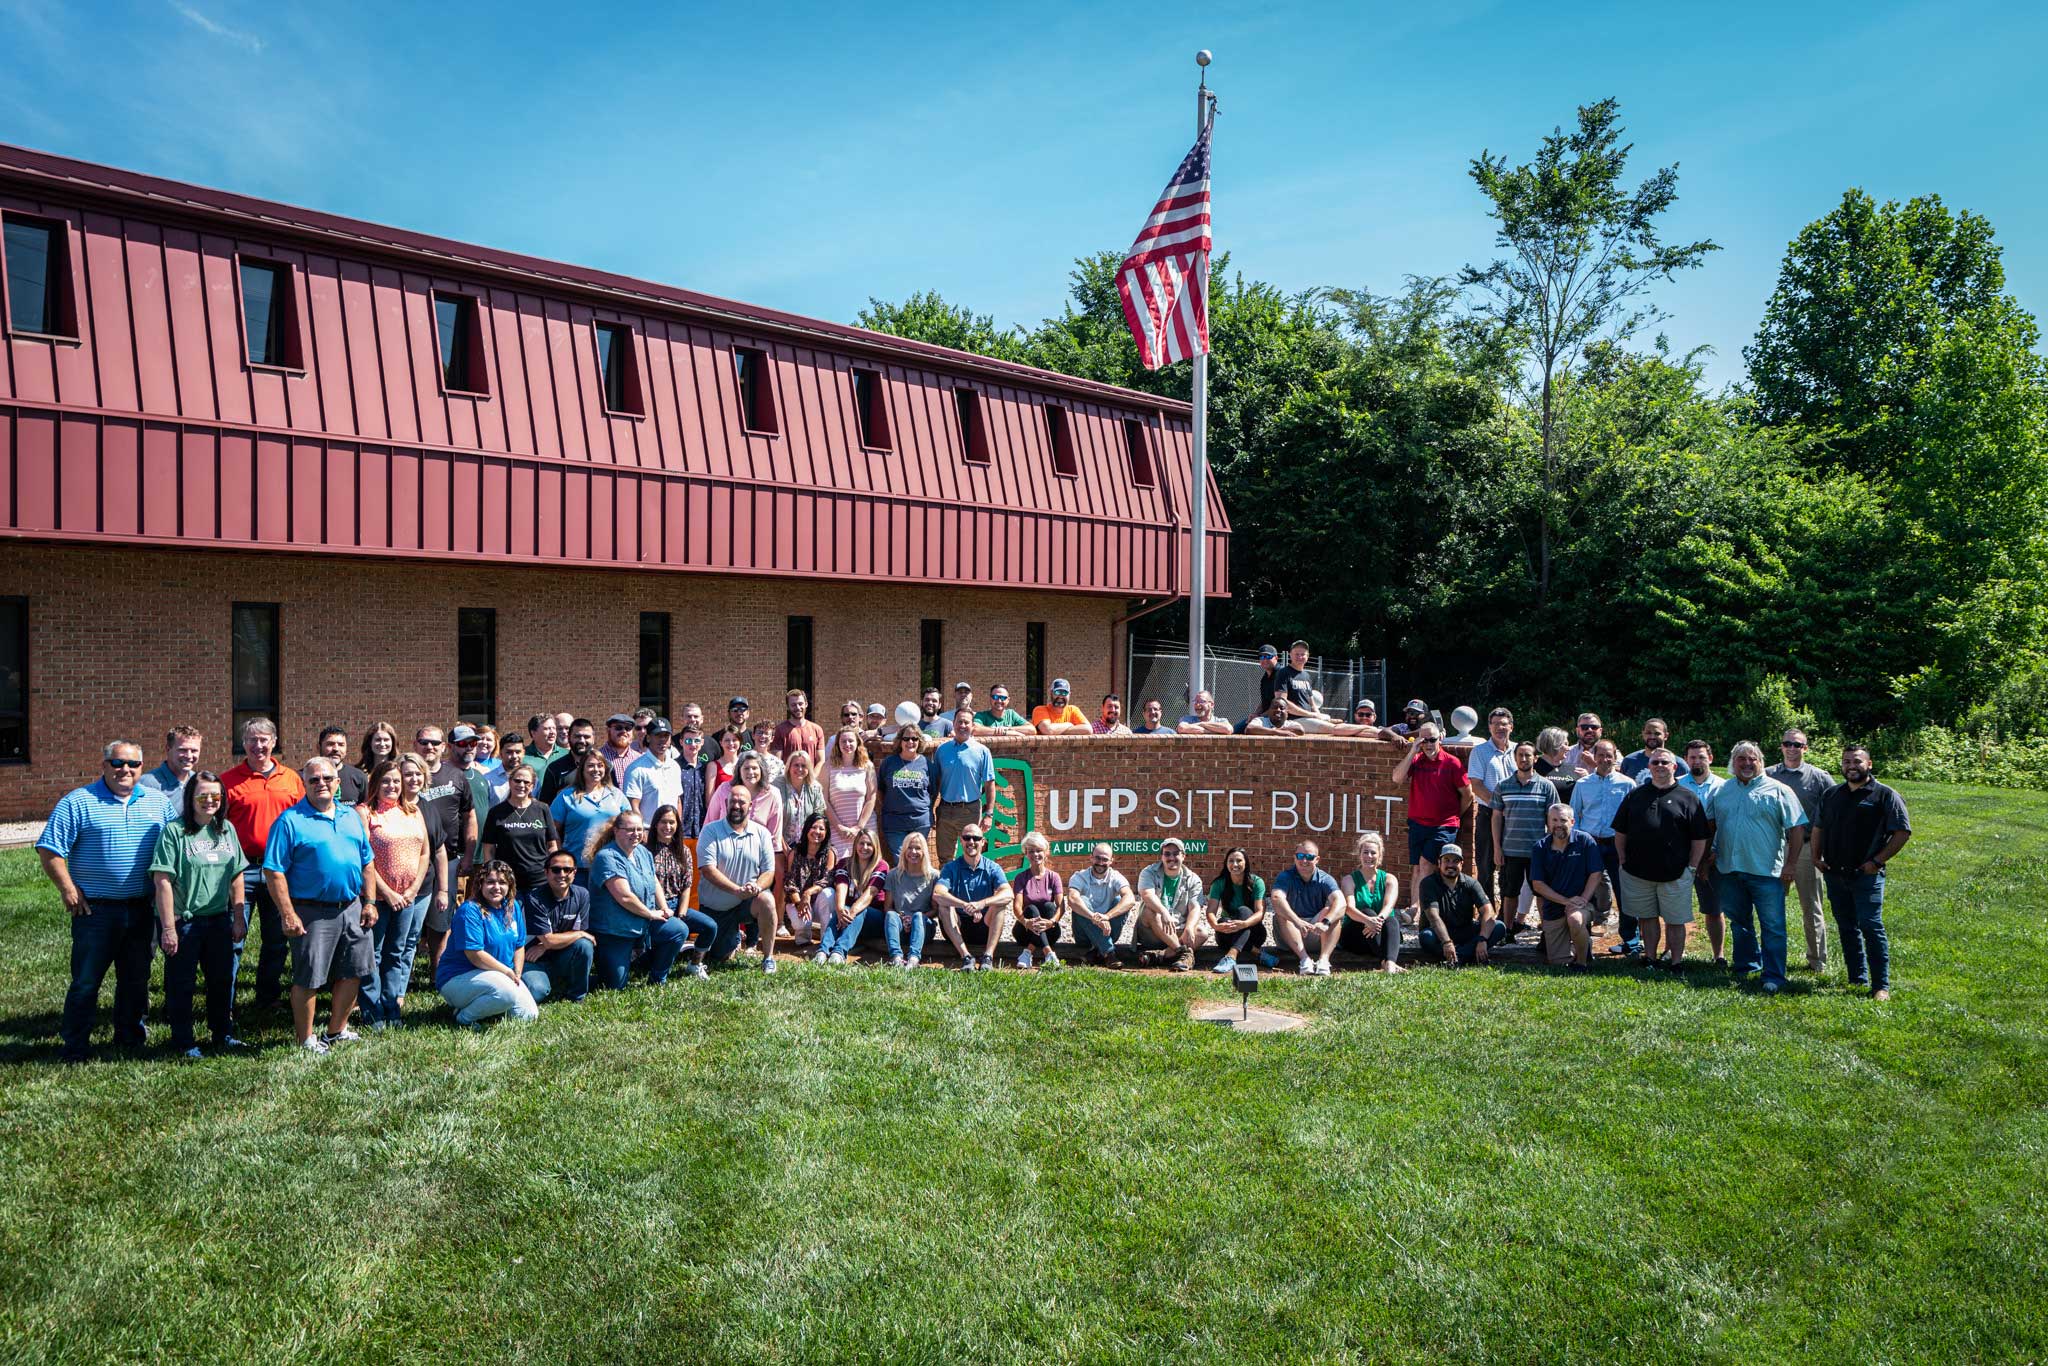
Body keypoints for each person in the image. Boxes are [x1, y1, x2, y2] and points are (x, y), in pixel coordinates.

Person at [39, 740, 174, 1060]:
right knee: (86, 980)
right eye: (117, 763)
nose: (124, 770)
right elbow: (50, 849)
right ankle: (76, 1043)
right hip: (95, 911)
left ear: (142, 768)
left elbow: (175, 847)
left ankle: (129, 1037)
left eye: (133, 764)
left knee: (135, 978)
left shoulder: (158, 803)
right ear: (104, 766)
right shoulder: (78, 802)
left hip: (142, 907)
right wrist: (69, 890)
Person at [261, 757, 377, 1053]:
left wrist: (370, 902)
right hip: (311, 911)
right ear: (304, 784)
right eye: (314, 780)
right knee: (309, 976)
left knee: (354, 970)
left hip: (352, 906)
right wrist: (288, 913)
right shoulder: (290, 821)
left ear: (338, 783)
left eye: (327, 778)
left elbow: (367, 861)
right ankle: (306, 1039)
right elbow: (273, 871)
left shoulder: (351, 816)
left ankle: (336, 1030)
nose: (321, 784)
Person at [149, 772, 247, 1057]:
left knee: (221, 981)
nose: (209, 801)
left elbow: (236, 874)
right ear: (190, 798)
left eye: (215, 796)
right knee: (182, 985)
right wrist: (168, 928)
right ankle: (184, 1041)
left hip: (218, 920)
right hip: (185, 922)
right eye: (202, 795)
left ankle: (222, 1035)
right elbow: (162, 881)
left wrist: (238, 917)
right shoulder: (174, 832)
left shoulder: (226, 829)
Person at [1706, 741, 1808, 994]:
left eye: (1753, 759)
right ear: (1733, 763)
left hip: (1766, 872)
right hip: (1729, 869)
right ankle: (1747, 966)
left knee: (1772, 926)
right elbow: (1712, 827)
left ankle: (1774, 974)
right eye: (1741, 759)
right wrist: (1708, 856)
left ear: (1761, 762)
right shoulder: (1722, 791)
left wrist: (1791, 865)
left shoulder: (1778, 790)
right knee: (1739, 923)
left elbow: (1796, 830)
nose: (1747, 764)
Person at [1814, 745, 1912, 1001]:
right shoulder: (1832, 794)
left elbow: (1902, 832)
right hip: (1835, 873)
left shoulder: (1885, 795)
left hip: (1866, 876)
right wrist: (1816, 856)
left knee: (1870, 925)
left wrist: (1877, 862)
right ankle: (1857, 979)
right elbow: (1819, 826)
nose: (1851, 766)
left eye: (1857, 761)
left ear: (1869, 764)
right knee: (1847, 927)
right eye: (1846, 762)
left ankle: (1881, 986)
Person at [221, 717, 304, 1011]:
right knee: (234, 936)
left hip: (279, 870)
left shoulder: (292, 778)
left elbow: (301, 823)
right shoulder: (228, 780)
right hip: (241, 870)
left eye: (264, 739)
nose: (259, 745)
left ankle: (267, 998)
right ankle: (225, 1003)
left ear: (274, 742)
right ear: (243, 744)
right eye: (252, 740)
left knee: (276, 938)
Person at [357, 755, 443, 1029]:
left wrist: (413, 889)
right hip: (378, 897)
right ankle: (372, 1012)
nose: (392, 786)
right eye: (386, 781)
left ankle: (391, 1007)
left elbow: (425, 852)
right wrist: (388, 893)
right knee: (374, 954)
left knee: (397, 952)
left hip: (408, 896)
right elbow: (364, 858)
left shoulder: (413, 811)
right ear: (376, 783)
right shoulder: (365, 813)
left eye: (396, 781)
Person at [1611, 748, 1709, 970]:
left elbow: (1699, 838)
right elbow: (1620, 832)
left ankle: (1676, 962)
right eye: (1655, 762)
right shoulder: (1635, 795)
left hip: (1675, 873)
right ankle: (1650, 958)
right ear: (1649, 767)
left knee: (1675, 920)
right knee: (1647, 918)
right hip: (1638, 872)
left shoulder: (1688, 798)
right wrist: (1623, 860)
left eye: (1665, 762)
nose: (1659, 766)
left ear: (1675, 767)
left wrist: (1692, 867)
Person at [588, 809, 701, 989]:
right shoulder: (606, 857)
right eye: (630, 830)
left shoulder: (643, 852)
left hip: (644, 922)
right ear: (616, 831)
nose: (636, 834)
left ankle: (658, 977)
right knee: (615, 985)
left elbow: (654, 881)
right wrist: (650, 913)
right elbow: (624, 897)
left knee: (678, 929)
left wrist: (664, 908)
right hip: (615, 929)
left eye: (640, 830)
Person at [434, 861, 539, 1025]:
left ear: (510, 885)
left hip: (499, 975)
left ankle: (487, 1005)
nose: (497, 887)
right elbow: (475, 955)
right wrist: (507, 973)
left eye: (502, 882)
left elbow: (519, 945)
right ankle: (464, 1017)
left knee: (528, 1016)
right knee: (506, 994)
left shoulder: (512, 907)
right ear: (480, 884)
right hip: (458, 976)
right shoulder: (469, 910)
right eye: (490, 882)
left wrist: (517, 973)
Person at [1767, 728, 1835, 974]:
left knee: (1811, 906)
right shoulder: (1768, 774)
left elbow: (1834, 808)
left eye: (1798, 745)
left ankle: (1817, 961)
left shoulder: (1819, 777)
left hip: (1807, 847)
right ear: (1781, 747)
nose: (1792, 749)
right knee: (1771, 906)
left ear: (1805, 748)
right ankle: (1773, 958)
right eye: (1788, 744)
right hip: (1774, 847)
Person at [696, 786, 782, 972]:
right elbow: (708, 870)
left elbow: (769, 872)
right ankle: (733, 940)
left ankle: (768, 958)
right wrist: (736, 890)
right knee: (719, 957)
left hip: (746, 903)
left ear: (750, 806)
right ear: (726, 804)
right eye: (732, 801)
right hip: (716, 908)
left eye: (741, 802)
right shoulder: (710, 831)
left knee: (767, 899)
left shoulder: (762, 833)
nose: (736, 805)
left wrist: (757, 887)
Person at [415, 724, 477, 971]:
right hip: (411, 860)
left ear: (444, 747)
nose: (429, 747)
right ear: (415, 744)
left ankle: (436, 970)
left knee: (440, 919)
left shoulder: (456, 776)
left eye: (434, 743)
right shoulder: (406, 774)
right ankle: (402, 975)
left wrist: (469, 856)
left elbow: (469, 815)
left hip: (448, 859)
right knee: (411, 920)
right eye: (424, 742)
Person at [1571, 739, 1639, 956]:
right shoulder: (1582, 785)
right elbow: (1574, 816)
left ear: (1615, 756)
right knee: (1586, 892)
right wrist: (1580, 843)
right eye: (1601, 755)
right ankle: (1584, 940)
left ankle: (1631, 941)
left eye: (1609, 755)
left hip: (1617, 845)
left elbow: (1633, 818)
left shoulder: (1628, 784)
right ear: (1594, 756)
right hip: (1591, 844)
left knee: (1624, 892)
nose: (1605, 759)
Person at [1392, 723, 1468, 915]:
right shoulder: (1417, 761)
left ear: (1440, 739)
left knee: (1426, 864)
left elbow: (1467, 795)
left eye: (1432, 739)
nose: (1428, 744)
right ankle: (1416, 909)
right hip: (1418, 823)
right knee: (1417, 867)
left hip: (1443, 826)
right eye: (1424, 740)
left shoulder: (1452, 763)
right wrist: (1412, 752)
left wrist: (1454, 815)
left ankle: (1417, 909)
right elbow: (1396, 778)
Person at [1492, 740, 1560, 932]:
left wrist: (1553, 847)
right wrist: (1497, 848)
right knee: (1509, 892)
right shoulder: (1503, 786)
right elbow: (1496, 817)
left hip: (1538, 850)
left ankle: (1547, 933)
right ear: (1514, 758)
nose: (1523, 759)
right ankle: (1507, 931)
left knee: (1541, 892)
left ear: (1535, 758)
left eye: (1527, 755)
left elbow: (1554, 819)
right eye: (1520, 755)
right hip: (1510, 850)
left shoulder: (1546, 786)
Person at [1676, 739, 1729, 966]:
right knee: (1674, 907)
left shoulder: (1723, 787)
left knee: (1714, 909)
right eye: (1692, 757)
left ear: (1711, 758)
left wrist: (1712, 854)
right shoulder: (1676, 785)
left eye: (1701, 757)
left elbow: (1725, 823)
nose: (1697, 761)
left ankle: (1719, 954)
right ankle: (1672, 951)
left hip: (1713, 857)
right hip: (1679, 856)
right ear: (1686, 760)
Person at [1528, 804, 1599, 969]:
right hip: (1554, 907)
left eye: (1563, 820)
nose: (1558, 824)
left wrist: (1582, 900)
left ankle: (1582, 962)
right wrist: (1566, 901)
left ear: (1572, 822)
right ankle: (1582, 944)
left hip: (1582, 903)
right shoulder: (1539, 848)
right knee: (1558, 963)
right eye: (1554, 820)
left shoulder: (1585, 841)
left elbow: (1596, 874)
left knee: (1575, 919)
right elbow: (1538, 885)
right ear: (1548, 822)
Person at [932, 823, 1012, 970]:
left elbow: (1008, 893)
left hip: (984, 925)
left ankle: (988, 957)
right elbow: (938, 893)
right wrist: (965, 905)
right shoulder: (950, 868)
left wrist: (982, 904)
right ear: (961, 841)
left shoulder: (993, 867)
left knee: (1000, 903)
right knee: (944, 906)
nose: (971, 842)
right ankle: (966, 957)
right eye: (967, 838)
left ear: (983, 841)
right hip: (957, 927)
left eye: (976, 838)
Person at [521, 850, 595, 1004]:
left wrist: (546, 946)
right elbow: (550, 940)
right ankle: (550, 981)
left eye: (567, 870)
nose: (561, 874)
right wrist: (579, 933)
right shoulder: (534, 898)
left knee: (584, 945)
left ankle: (577, 996)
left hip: (560, 953)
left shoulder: (582, 895)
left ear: (574, 872)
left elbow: (571, 934)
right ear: (546, 872)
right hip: (532, 959)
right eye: (556, 869)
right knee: (537, 992)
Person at [478, 760, 559, 896]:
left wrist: (553, 870)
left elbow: (551, 845)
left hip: (539, 881)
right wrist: (492, 876)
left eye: (526, 782)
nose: (521, 785)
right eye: (517, 781)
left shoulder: (542, 809)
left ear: (532, 786)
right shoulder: (496, 812)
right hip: (507, 881)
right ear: (510, 782)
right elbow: (489, 849)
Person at [549, 752, 630, 885]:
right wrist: (559, 857)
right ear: (582, 769)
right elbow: (552, 830)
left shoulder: (616, 794)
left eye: (600, 765)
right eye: (591, 766)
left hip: (612, 865)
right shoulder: (567, 796)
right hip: (577, 868)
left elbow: (629, 824)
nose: (596, 770)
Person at [1416, 845, 1504, 967]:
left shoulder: (1471, 883)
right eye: (1446, 860)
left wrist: (1482, 939)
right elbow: (1433, 917)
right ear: (1439, 862)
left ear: (1461, 864)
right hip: (1438, 934)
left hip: (1465, 931)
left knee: (1499, 927)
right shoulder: (1428, 884)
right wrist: (1447, 942)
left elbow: (1488, 911)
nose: (1451, 865)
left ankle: (1457, 959)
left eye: (1455, 861)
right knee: (1426, 937)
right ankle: (1468, 955)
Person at [1268, 838, 1342, 976]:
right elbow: (1276, 898)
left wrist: (1326, 922)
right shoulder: (1285, 877)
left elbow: (1341, 901)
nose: (1304, 860)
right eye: (1300, 856)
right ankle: (1305, 960)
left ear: (1317, 859)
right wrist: (1297, 921)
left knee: (1331, 913)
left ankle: (1324, 961)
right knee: (1281, 913)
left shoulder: (1325, 879)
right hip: (1289, 935)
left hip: (1315, 933)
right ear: (1294, 858)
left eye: (1309, 857)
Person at [1133, 836, 1208, 970]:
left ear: (1184, 856)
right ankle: (1183, 953)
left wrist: (1189, 928)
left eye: (1176, 853)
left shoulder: (1193, 879)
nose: (1171, 857)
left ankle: (1161, 955)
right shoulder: (1149, 872)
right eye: (1167, 854)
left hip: (1177, 929)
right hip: (1151, 932)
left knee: (1201, 933)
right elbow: (1147, 894)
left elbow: (1195, 907)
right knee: (1151, 911)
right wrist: (1164, 912)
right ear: (1161, 857)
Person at [1464, 708, 1516, 899]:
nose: (1499, 728)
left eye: (1503, 724)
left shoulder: (1519, 751)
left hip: (1514, 818)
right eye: (1495, 724)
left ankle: (1507, 913)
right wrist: (1498, 805)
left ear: (1511, 726)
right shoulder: (1480, 752)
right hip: (1488, 815)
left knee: (1510, 866)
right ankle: (1487, 913)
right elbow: (1476, 785)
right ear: (1489, 727)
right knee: (1485, 866)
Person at [933, 707, 997, 861]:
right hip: (945, 809)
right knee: (944, 857)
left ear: (973, 726)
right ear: (953, 724)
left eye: (966, 722)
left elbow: (990, 784)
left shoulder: (982, 751)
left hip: (970, 810)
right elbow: (936, 782)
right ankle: (947, 885)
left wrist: (989, 814)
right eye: (959, 722)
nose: (962, 725)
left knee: (972, 854)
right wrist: (931, 809)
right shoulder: (941, 750)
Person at [818, 828, 890, 964]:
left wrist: (851, 912)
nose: (865, 847)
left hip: (875, 919)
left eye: (869, 844)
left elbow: (870, 894)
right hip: (851, 917)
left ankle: (839, 952)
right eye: (861, 843)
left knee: (859, 910)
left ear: (875, 847)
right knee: (841, 908)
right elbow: (841, 886)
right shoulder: (844, 863)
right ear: (855, 844)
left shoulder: (881, 866)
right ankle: (823, 951)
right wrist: (840, 910)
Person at [1338, 830, 1405, 974]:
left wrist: (1377, 922)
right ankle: (1387, 961)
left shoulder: (1390, 879)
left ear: (1380, 855)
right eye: (1365, 852)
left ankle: (1389, 965)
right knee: (1367, 911)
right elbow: (1349, 908)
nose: (1369, 856)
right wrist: (1368, 920)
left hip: (1381, 935)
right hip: (1356, 937)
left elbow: (1389, 906)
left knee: (1392, 920)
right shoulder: (1349, 880)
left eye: (1373, 853)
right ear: (1359, 854)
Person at [1065, 843, 1137, 967]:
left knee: (1120, 900)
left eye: (1105, 859)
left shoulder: (1116, 877)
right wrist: (1094, 917)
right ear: (1091, 858)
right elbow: (1072, 899)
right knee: (1082, 900)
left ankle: (1097, 952)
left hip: (1107, 931)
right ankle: (1109, 953)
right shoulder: (1079, 876)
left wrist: (1107, 917)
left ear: (1111, 861)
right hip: (1084, 935)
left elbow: (1130, 899)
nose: (1101, 862)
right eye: (1097, 858)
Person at [648, 803, 704, 948]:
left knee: (710, 926)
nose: (668, 826)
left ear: (677, 825)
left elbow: (687, 884)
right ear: (655, 824)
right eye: (663, 822)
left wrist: (682, 914)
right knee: (677, 930)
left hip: (678, 904)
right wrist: (665, 910)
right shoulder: (646, 851)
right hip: (655, 906)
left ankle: (695, 960)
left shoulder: (683, 850)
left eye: (671, 822)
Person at [1204, 847, 1267, 975]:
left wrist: (1244, 924)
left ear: (1246, 863)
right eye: (1231, 861)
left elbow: (1260, 912)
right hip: (1226, 935)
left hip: (1255, 933)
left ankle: (1231, 957)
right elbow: (1210, 911)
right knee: (1224, 920)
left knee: (1243, 910)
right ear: (1226, 863)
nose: (1235, 864)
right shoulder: (1219, 883)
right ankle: (1257, 953)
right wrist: (1216, 925)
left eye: (1239, 860)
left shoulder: (1257, 882)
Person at [875, 725, 935, 861]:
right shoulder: (889, 763)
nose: (910, 742)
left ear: (919, 741)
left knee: (918, 860)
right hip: (894, 823)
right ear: (900, 741)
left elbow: (933, 791)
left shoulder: (927, 764)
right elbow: (881, 790)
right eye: (906, 738)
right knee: (901, 861)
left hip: (920, 822)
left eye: (914, 738)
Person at [1008, 832, 1065, 970]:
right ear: (1026, 854)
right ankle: (1049, 953)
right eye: (1031, 851)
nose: (1035, 854)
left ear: (1045, 853)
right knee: (1032, 908)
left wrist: (1051, 922)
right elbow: (1017, 907)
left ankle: (1027, 953)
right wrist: (1026, 921)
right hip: (1025, 930)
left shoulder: (1054, 877)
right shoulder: (1021, 877)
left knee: (1049, 906)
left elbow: (1061, 906)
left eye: (1039, 850)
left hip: (1050, 930)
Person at [822, 725, 878, 860]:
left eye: (851, 741)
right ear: (838, 744)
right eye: (843, 741)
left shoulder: (867, 766)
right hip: (837, 830)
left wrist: (859, 827)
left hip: (864, 827)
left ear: (858, 743)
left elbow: (871, 798)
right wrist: (839, 827)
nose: (847, 744)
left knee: (864, 865)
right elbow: (823, 800)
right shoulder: (828, 766)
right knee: (838, 868)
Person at [782, 813, 837, 949]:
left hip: (819, 903)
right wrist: (799, 902)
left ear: (826, 832)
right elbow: (789, 882)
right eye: (814, 827)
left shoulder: (829, 853)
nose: (817, 832)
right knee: (802, 924)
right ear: (807, 829)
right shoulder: (795, 852)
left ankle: (826, 940)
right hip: (799, 902)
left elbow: (827, 879)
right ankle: (803, 940)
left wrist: (808, 893)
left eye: (822, 829)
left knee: (829, 893)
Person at [883, 831, 937, 968]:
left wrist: (915, 919)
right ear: (904, 851)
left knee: (918, 916)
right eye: (909, 847)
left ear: (924, 851)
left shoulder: (934, 876)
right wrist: (902, 918)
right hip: (901, 925)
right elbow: (887, 907)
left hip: (923, 926)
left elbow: (935, 910)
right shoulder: (893, 875)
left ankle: (914, 958)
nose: (913, 851)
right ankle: (896, 958)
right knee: (890, 915)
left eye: (918, 848)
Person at [707, 751, 783, 846]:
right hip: (724, 850)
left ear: (762, 770)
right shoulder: (724, 790)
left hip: (757, 853)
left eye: (754, 768)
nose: (750, 772)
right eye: (746, 768)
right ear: (739, 770)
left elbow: (774, 835)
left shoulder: (773, 794)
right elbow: (710, 822)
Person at [622, 717, 684, 823]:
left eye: (666, 736)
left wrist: (677, 827)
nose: (663, 740)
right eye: (658, 735)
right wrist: (642, 832)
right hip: (648, 832)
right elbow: (633, 806)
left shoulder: (675, 767)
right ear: (649, 738)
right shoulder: (636, 769)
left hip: (670, 832)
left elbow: (677, 801)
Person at [446, 725, 495, 838]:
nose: (469, 748)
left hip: (481, 849)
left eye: (472, 743)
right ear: (450, 746)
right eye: (462, 744)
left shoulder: (481, 775)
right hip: (455, 851)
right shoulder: (443, 775)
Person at [774, 748, 827, 852]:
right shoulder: (778, 786)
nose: (800, 769)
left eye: (803, 766)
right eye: (796, 765)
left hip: (807, 847)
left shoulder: (815, 788)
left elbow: (819, 818)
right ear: (789, 767)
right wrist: (785, 849)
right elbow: (772, 820)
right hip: (779, 846)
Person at [140, 724, 204, 810]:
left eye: (194, 750)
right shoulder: (147, 784)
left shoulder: (198, 781)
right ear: (168, 749)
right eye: (183, 750)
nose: (189, 756)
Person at [538, 718, 596, 805]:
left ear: (593, 739)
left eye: (586, 737)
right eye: (577, 736)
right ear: (569, 737)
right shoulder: (555, 769)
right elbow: (545, 805)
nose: (582, 740)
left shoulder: (604, 767)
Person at [316, 725, 370, 808]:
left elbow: (365, 810)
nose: (336, 749)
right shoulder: (306, 777)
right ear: (318, 747)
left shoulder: (359, 777)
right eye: (330, 744)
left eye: (341, 745)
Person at [672, 725, 710, 841]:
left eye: (697, 740)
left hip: (703, 829)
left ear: (702, 742)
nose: (693, 744)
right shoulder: (673, 767)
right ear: (681, 742)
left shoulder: (706, 768)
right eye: (688, 740)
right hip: (680, 831)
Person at [771, 688, 826, 768]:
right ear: (787, 707)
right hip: (788, 779)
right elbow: (777, 762)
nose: (798, 707)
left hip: (811, 778)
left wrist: (812, 778)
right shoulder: (779, 730)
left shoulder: (817, 729)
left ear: (806, 704)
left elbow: (821, 761)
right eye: (793, 705)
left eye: (800, 704)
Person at [357, 721, 400, 786]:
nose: (382, 744)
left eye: (386, 740)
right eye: (378, 740)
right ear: (370, 742)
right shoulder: (359, 772)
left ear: (393, 742)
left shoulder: (400, 769)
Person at [489, 733, 527, 806]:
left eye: (518, 752)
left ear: (523, 753)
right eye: (509, 752)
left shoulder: (531, 780)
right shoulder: (488, 780)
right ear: (501, 754)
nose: (514, 756)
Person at [704, 726, 744, 793]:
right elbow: (709, 798)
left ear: (740, 742)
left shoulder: (744, 764)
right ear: (721, 743)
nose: (731, 743)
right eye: (727, 740)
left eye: (734, 740)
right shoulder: (713, 766)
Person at [748, 721, 786, 786]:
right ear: (753, 735)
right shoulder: (742, 758)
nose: (763, 736)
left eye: (766, 733)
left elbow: (782, 786)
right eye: (759, 733)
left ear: (772, 738)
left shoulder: (778, 764)